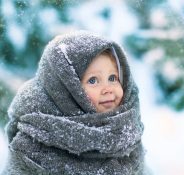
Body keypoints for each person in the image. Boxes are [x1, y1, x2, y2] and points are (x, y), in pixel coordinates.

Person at [3, 31, 147, 175]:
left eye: (112, 78)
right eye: (93, 80)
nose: (108, 89)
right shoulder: (34, 147)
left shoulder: (126, 132)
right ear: (66, 89)